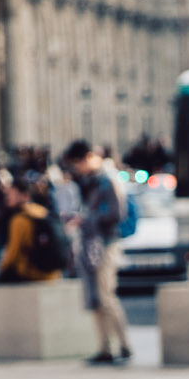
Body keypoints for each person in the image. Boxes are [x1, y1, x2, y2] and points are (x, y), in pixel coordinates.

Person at [0, 175, 64, 361]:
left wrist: (1, 270)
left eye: (11, 194)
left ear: (22, 195)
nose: (7, 198)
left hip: (30, 272)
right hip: (51, 273)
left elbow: (12, 255)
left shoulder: (19, 219)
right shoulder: (41, 212)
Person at [61, 139, 132, 365]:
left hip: (106, 243)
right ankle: (104, 348)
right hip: (92, 243)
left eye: (78, 164)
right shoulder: (90, 182)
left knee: (106, 296)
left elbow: (116, 214)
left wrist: (87, 219)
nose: (77, 169)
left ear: (90, 157)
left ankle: (124, 346)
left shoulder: (108, 180)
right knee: (95, 297)